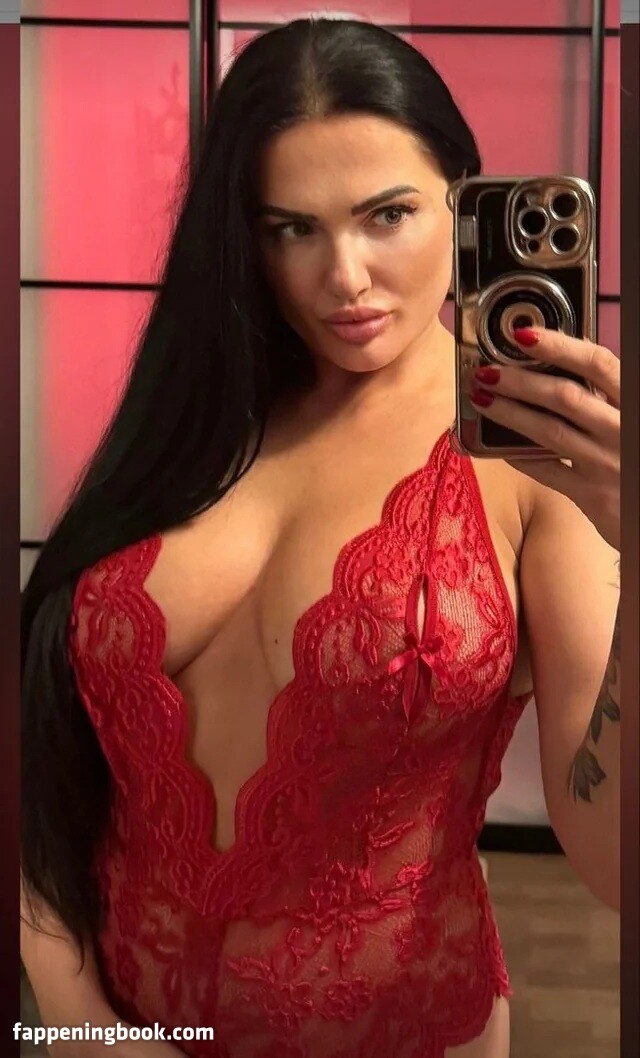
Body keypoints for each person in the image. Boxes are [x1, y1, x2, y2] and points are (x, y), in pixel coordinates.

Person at [20, 17, 620, 1058]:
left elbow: (614, 860)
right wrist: (83, 1023)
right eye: (290, 228)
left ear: (463, 197)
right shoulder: (196, 414)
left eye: (386, 214)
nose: (344, 277)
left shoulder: (539, 465)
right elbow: (44, 740)